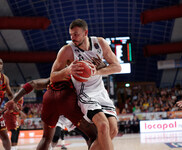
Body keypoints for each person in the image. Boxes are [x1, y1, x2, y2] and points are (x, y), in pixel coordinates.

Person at [50, 18, 121, 150]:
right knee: (103, 126)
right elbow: (52, 77)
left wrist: (96, 72)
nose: (73, 38)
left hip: (101, 92)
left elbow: (117, 67)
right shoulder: (67, 50)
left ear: (85, 32)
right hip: (84, 93)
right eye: (71, 34)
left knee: (113, 130)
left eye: (76, 34)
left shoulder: (100, 43)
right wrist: (67, 70)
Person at [6, 78, 99, 150]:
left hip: (50, 99)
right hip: (67, 102)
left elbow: (33, 83)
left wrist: (14, 100)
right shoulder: (76, 75)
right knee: (93, 135)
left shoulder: (54, 76)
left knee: (46, 138)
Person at [0, 58, 14, 150]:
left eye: (1, 63)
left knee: (5, 136)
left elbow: (9, 94)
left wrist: (13, 103)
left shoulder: (4, 79)